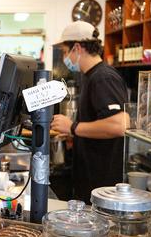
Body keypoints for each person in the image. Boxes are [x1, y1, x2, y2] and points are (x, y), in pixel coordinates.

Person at [51, 21, 129, 203]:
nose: (64, 57)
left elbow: (120, 125)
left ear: (77, 48)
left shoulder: (103, 78)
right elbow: (99, 122)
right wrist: (75, 136)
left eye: (65, 51)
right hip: (90, 180)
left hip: (102, 184)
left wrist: (73, 127)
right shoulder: (91, 77)